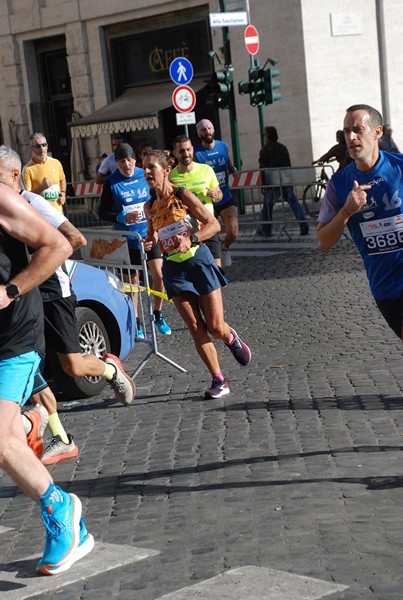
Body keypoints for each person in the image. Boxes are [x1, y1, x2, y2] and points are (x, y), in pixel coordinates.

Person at [0, 145, 136, 465]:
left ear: (15, 175)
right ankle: (61, 438)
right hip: (23, 302)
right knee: (35, 375)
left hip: (52, 291)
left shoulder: (32, 203)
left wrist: (31, 263)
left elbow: (74, 239)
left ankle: (109, 368)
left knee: (71, 366)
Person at [0, 182, 94, 574]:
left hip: (12, 337)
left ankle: (60, 507)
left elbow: (59, 245)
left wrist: (11, 289)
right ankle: (27, 421)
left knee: (1, 442)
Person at [142, 150, 251, 399]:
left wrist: (191, 238)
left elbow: (214, 224)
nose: (147, 172)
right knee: (195, 327)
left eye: (152, 167)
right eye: (145, 168)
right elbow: (153, 235)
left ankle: (230, 337)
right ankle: (219, 379)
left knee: (214, 327)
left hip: (198, 262)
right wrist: (150, 242)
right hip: (174, 269)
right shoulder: (150, 205)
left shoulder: (183, 196)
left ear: (166, 170)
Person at [318, 103, 403, 341]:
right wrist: (346, 210)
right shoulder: (339, 184)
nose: (351, 137)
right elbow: (324, 241)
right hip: (385, 287)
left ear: (377, 132)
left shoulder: (400, 167)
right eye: (347, 131)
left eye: (358, 129)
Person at [98, 143, 171, 336]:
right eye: (122, 161)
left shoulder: (144, 174)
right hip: (128, 239)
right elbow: (101, 212)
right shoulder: (111, 182)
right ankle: (136, 320)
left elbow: (158, 197)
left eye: (129, 160)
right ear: (116, 163)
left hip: (150, 234)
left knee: (159, 274)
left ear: (135, 160)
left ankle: (158, 313)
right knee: (133, 283)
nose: (126, 164)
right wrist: (121, 217)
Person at [169, 134, 223, 265]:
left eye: (188, 150)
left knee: (217, 271)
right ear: (175, 153)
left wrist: (216, 194)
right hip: (185, 231)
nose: (186, 154)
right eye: (181, 151)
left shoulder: (206, 170)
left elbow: (219, 195)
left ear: (192, 149)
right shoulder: (171, 177)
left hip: (208, 227)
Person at [194, 119, 238, 268]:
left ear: (213, 130)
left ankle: (224, 246)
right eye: (203, 130)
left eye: (209, 128)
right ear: (199, 133)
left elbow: (227, 159)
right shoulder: (196, 152)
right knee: (209, 236)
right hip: (207, 201)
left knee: (233, 232)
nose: (207, 132)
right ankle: (212, 262)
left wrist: (232, 169)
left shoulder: (223, 146)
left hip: (224, 196)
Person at [258, 126, 309, 237]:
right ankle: (303, 222)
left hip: (273, 181)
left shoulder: (265, 149)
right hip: (286, 179)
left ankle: (266, 229)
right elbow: (288, 164)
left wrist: (263, 184)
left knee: (268, 205)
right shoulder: (283, 148)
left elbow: (263, 168)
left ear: (267, 136)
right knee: (293, 202)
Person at [22, 132, 66, 214]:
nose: (42, 149)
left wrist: (63, 193)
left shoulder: (56, 163)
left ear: (47, 146)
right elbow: (27, 197)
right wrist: (42, 187)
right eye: (38, 146)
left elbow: (62, 179)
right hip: (42, 216)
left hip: (59, 214)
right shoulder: (27, 169)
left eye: (44, 145)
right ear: (32, 149)